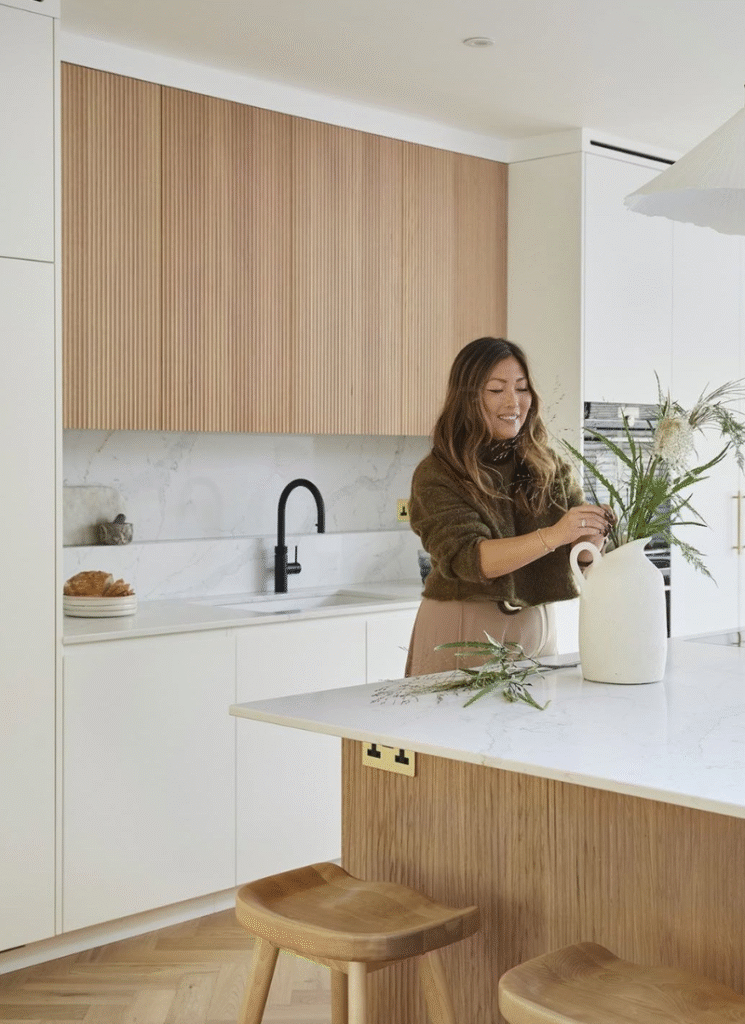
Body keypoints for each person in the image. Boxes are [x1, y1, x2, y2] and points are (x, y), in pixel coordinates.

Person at [406, 336, 611, 676]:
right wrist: (555, 534)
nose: (513, 402)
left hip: (537, 624)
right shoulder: (438, 473)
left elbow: (579, 555)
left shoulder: (548, 465)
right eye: (496, 390)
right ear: (467, 398)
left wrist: (591, 538)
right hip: (464, 625)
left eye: (522, 388)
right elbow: (471, 558)